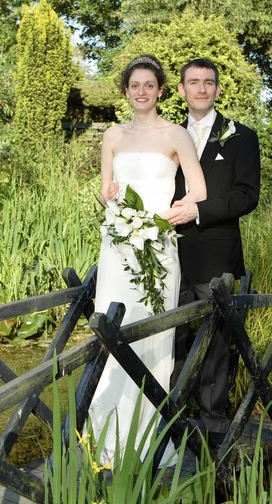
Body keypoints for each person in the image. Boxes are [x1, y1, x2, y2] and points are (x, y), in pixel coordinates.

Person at [87, 54, 206, 466]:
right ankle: (105, 436)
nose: (141, 92)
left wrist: (172, 215)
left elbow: (198, 191)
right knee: (113, 327)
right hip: (118, 247)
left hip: (157, 245)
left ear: (160, 91)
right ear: (125, 91)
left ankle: (148, 435)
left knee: (152, 333)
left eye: (149, 85)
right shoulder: (113, 136)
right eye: (134, 85)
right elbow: (105, 190)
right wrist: (108, 195)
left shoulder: (176, 135)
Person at [164, 58, 261, 448]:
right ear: (181, 90)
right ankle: (172, 419)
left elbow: (246, 196)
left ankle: (214, 425)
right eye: (193, 82)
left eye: (208, 82)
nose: (201, 88)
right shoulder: (167, 136)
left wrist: (199, 211)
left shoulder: (241, 137)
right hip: (170, 256)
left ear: (218, 89)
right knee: (171, 337)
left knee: (217, 342)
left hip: (217, 256)